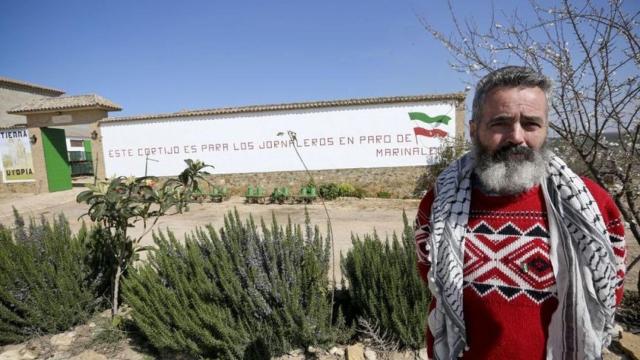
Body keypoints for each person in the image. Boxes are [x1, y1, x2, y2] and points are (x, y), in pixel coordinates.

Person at [414, 66, 626, 360]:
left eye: (530, 124)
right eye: (501, 123)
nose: (516, 137)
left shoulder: (592, 204)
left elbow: (609, 290)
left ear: (545, 128)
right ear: (474, 129)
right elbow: (433, 281)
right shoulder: (441, 201)